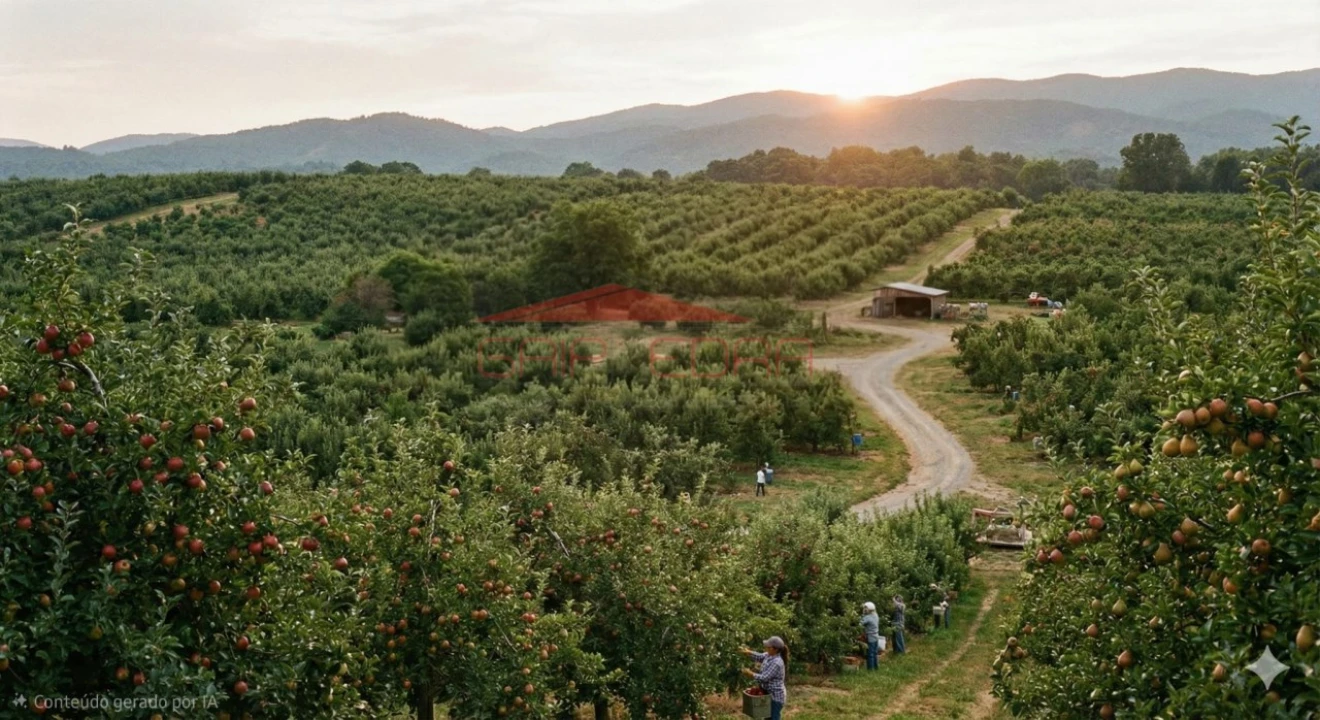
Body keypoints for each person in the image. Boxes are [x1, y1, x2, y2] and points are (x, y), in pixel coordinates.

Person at [742, 637, 788, 720]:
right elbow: (759, 656)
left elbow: (765, 678)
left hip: (775, 697)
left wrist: (751, 674)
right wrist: (748, 652)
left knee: (773, 717)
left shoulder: (777, 662)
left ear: (775, 649)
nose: (766, 648)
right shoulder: (769, 655)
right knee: (767, 718)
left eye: (768, 647)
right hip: (767, 694)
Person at [860, 602, 881, 670]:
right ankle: (876, 667)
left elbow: (860, 623)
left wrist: (863, 614)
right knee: (875, 653)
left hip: (871, 637)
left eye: (865, 608)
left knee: (870, 654)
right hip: (876, 636)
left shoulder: (867, 617)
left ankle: (870, 669)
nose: (864, 609)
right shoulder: (875, 615)